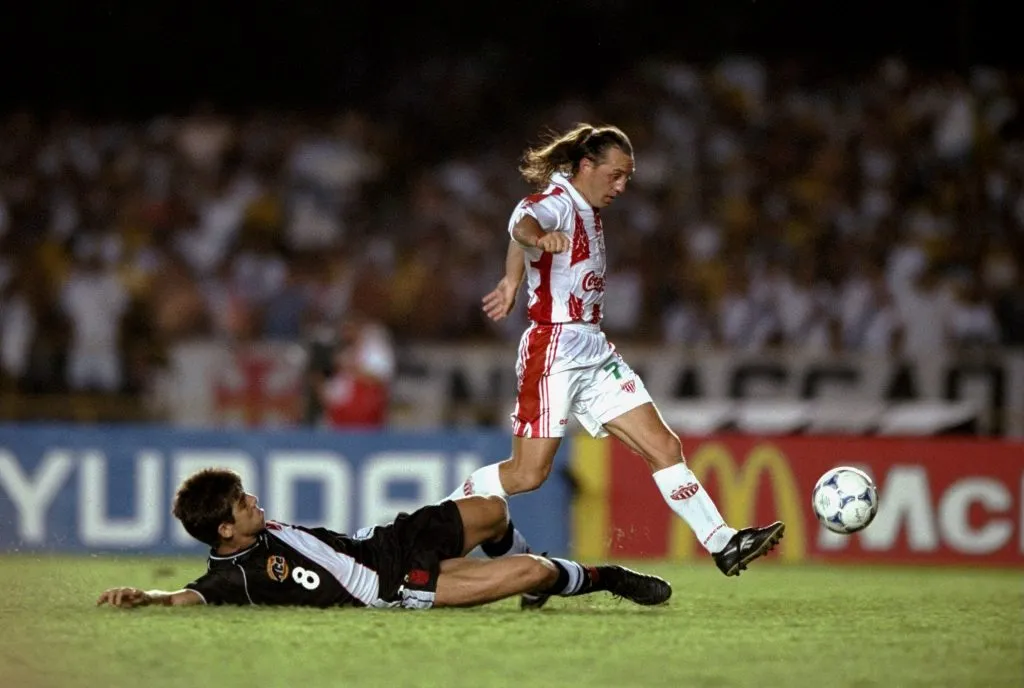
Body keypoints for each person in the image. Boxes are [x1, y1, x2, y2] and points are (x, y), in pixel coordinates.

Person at [447, 123, 785, 608]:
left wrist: (511, 279)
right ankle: (442, 518)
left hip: (593, 348)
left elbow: (520, 242)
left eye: (627, 177)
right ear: (586, 166)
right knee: (527, 474)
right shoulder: (560, 201)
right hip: (554, 347)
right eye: (617, 175)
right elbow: (522, 222)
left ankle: (722, 543)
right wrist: (537, 241)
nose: (622, 186)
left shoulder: (585, 206)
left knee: (663, 445)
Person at [96, 468, 671, 610]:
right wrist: (144, 597)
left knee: (493, 511)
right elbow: (189, 596)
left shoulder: (255, 531)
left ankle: (537, 577)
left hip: (383, 542)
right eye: (242, 503)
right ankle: (604, 578)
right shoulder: (235, 575)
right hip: (391, 584)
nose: (254, 502)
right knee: (536, 571)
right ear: (224, 530)